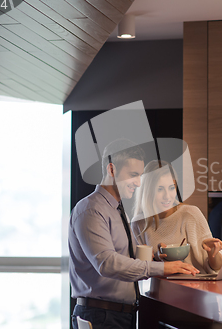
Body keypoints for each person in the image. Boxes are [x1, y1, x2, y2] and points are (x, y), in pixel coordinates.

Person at [69, 141, 199, 329]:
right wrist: (163, 269)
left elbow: (124, 257)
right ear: (112, 170)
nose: (138, 183)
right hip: (101, 317)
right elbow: (107, 263)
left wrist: (156, 257)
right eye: (133, 175)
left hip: (118, 315)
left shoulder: (116, 210)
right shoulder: (91, 210)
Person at [131, 160, 222, 273]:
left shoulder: (190, 214)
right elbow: (140, 271)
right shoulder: (139, 223)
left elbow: (217, 267)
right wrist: (154, 259)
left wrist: (212, 253)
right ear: (148, 191)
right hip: (158, 288)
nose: (167, 196)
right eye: (160, 189)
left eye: (171, 188)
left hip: (196, 285)